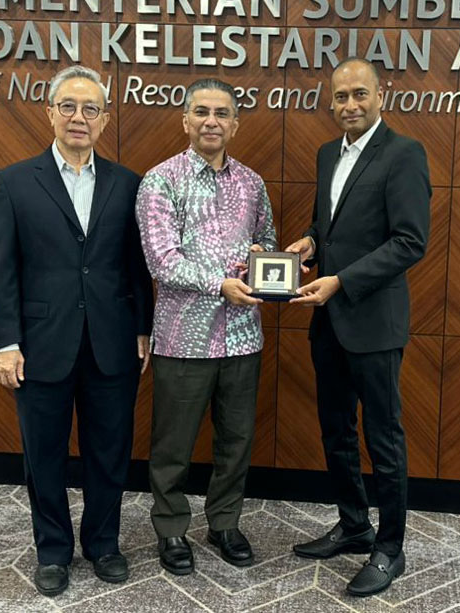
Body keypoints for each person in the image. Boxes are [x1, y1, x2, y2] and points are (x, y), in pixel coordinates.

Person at [0, 65, 153, 597]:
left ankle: (104, 543)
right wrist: (6, 343)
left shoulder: (129, 183)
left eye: (91, 109)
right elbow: (0, 270)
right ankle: (52, 550)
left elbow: (137, 264)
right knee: (44, 454)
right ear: (50, 113)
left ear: (105, 118)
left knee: (110, 451)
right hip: (40, 345)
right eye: (69, 106)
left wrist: (144, 328)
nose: (80, 117)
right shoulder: (12, 182)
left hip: (113, 343)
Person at [285, 57, 431, 597]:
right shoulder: (329, 154)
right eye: (341, 96)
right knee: (336, 429)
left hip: (373, 320)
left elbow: (410, 240)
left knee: (383, 437)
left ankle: (389, 548)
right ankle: (352, 525)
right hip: (329, 321)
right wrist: (309, 242)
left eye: (359, 94)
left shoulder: (404, 154)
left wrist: (340, 280)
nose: (349, 104)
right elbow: (334, 225)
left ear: (381, 95)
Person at [136, 78, 276, 576]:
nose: (211, 121)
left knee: (235, 442)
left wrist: (263, 256)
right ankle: (172, 529)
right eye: (201, 112)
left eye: (221, 113)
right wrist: (220, 284)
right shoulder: (159, 181)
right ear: (185, 121)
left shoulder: (252, 183)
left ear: (235, 124)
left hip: (243, 335)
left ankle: (224, 523)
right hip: (182, 337)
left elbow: (266, 237)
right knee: (172, 446)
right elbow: (161, 259)